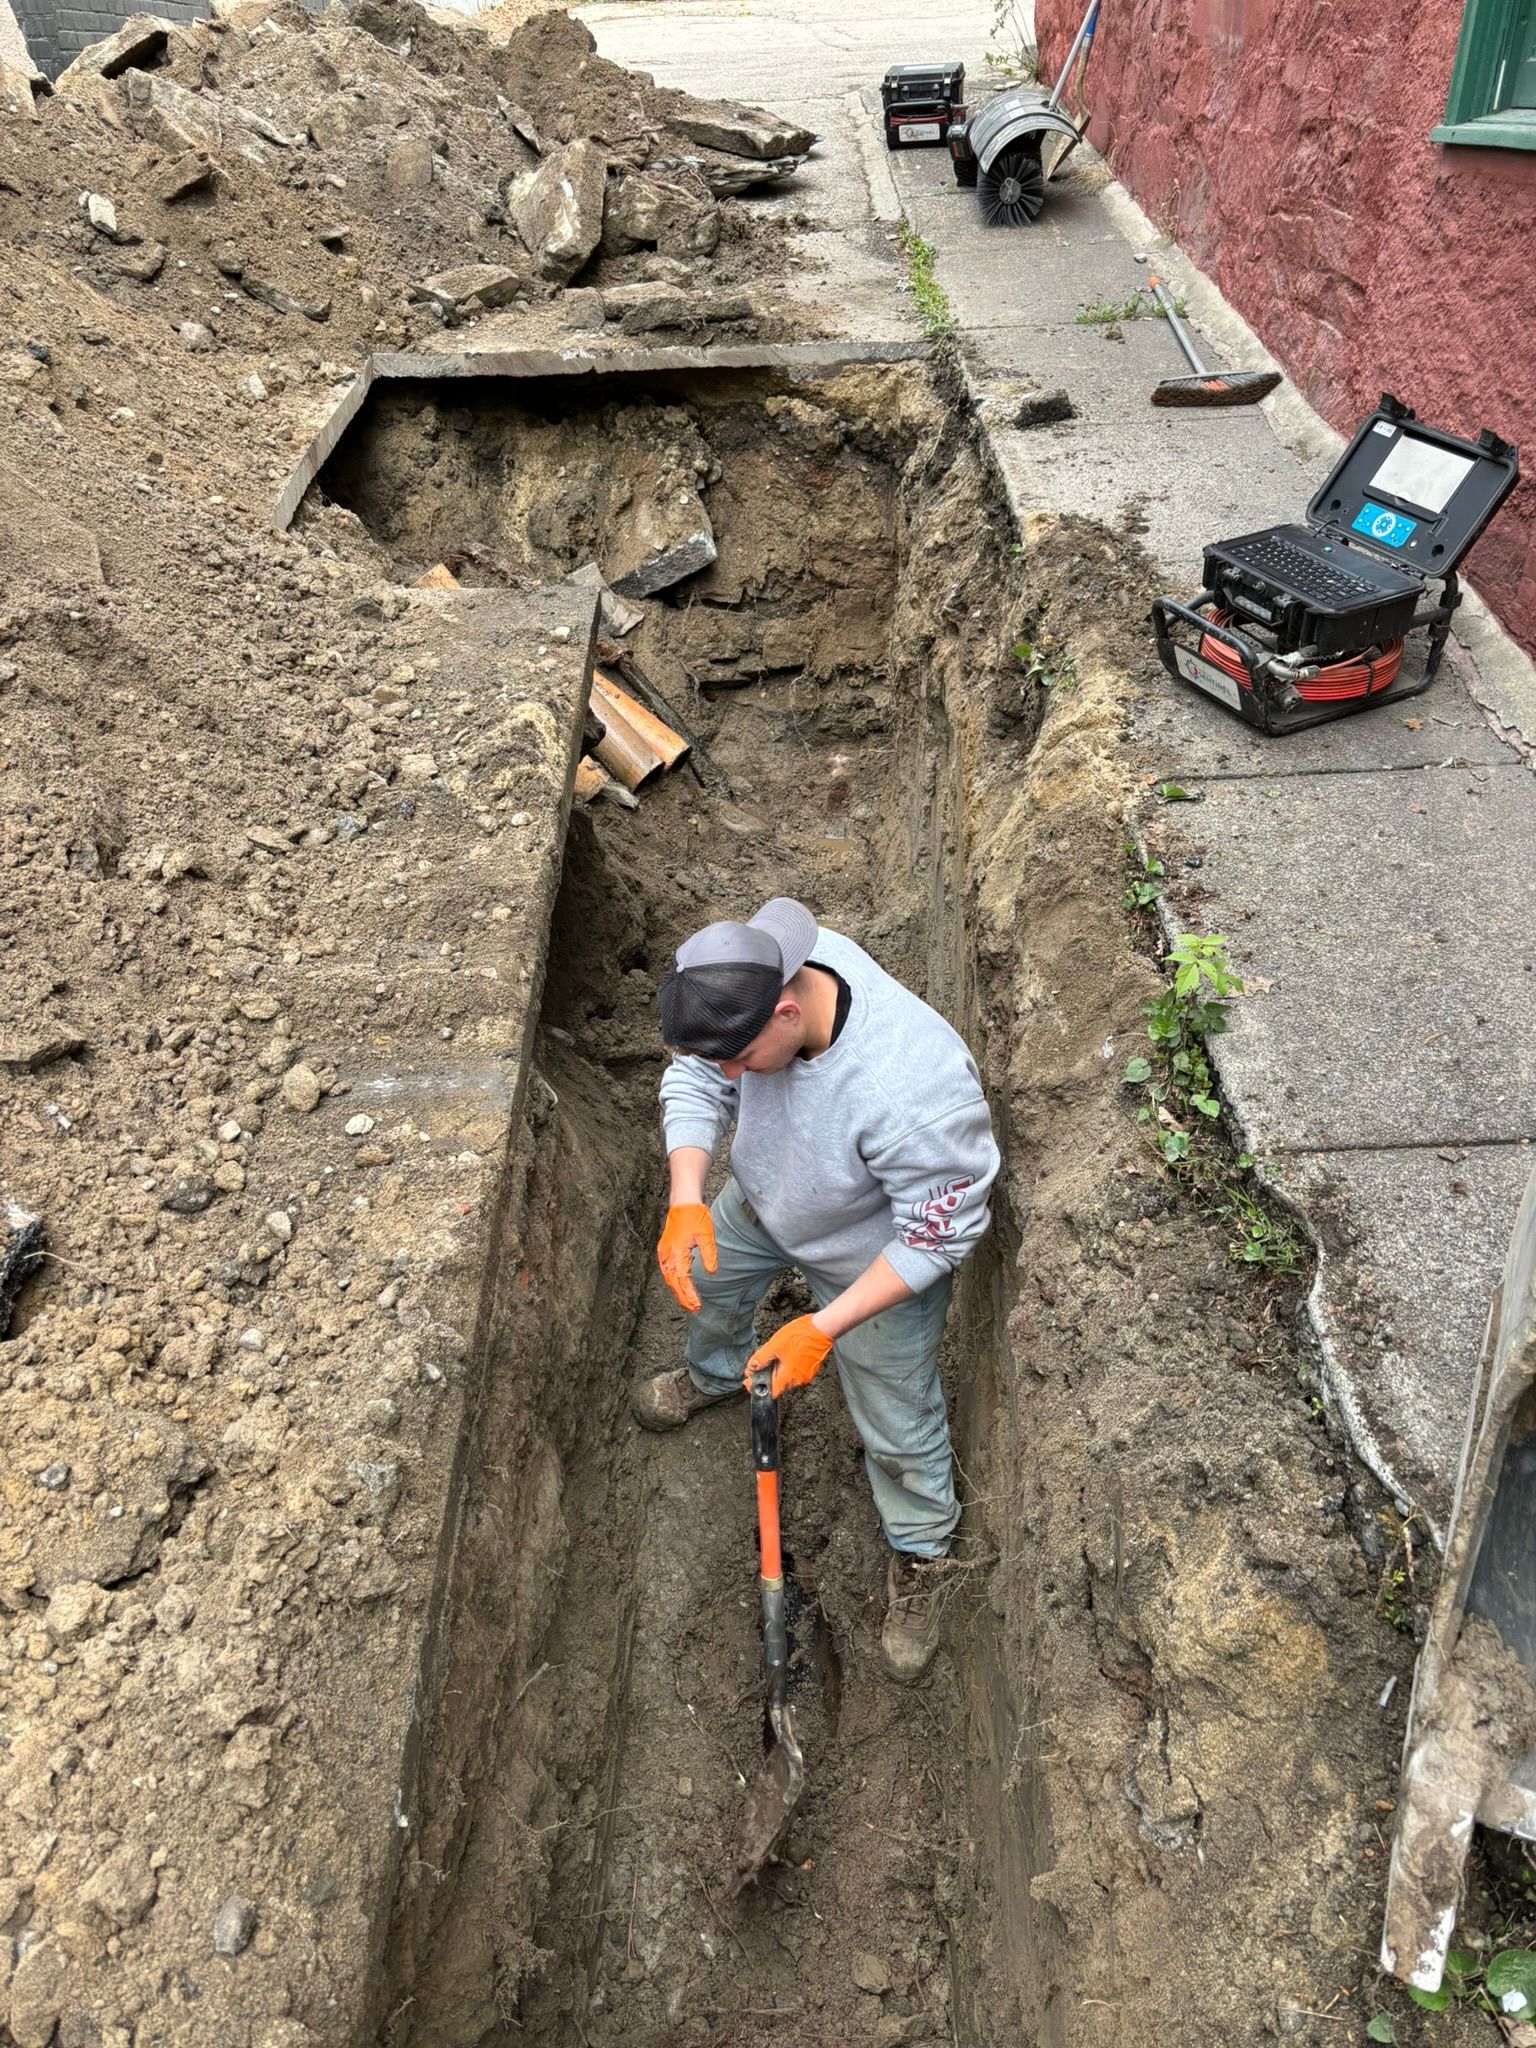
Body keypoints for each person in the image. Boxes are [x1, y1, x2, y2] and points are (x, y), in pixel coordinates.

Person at [633, 897, 1000, 1683]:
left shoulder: (917, 1095)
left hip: (875, 1257)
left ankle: (923, 1550)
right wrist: (688, 1193)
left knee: (897, 1417)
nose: (728, 1075)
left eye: (740, 1059)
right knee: (705, 1278)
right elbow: (698, 1076)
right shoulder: (757, 969)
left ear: (788, 1009)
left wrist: (824, 1326)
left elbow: (939, 1235)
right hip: (769, 1200)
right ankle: (714, 1375)